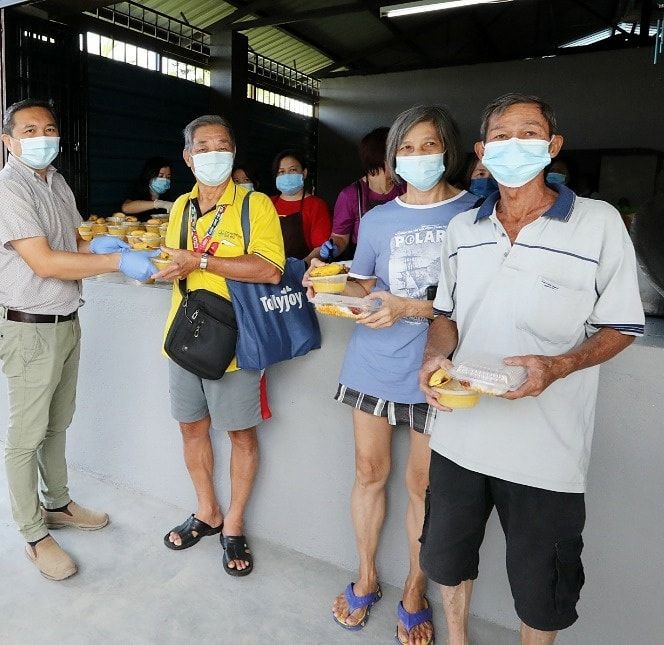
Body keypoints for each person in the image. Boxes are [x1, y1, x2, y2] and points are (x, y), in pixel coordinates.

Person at [418, 94, 644, 645]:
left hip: (547, 451)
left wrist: (559, 365)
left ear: (552, 147)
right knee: (447, 563)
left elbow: (621, 328)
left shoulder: (597, 224)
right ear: (481, 151)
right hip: (459, 436)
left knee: (542, 592)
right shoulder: (462, 229)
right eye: (502, 135)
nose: (514, 145)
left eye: (530, 133)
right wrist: (434, 357)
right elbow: (445, 316)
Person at [306, 106, 477, 645]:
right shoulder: (378, 219)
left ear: (448, 149)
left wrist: (410, 308)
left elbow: (475, 304)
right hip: (373, 363)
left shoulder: (475, 213)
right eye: (407, 148)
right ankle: (367, 574)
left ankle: (413, 590)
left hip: (437, 369)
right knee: (368, 473)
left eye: (429, 146)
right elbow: (363, 285)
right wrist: (329, 288)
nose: (418, 157)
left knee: (424, 488)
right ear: (391, 157)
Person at [0, 98, 156, 582]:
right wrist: (117, 262)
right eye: (30, 129)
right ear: (9, 141)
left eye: (50, 128)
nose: (42, 137)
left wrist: (96, 246)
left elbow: (68, 245)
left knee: (57, 423)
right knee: (25, 436)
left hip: (64, 320)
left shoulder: (54, 181)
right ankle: (34, 534)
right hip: (29, 327)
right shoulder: (7, 190)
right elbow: (44, 262)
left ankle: (57, 504)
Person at [153, 115, 285, 577]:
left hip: (234, 340)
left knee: (239, 433)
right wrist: (161, 267)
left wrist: (201, 259)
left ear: (233, 152)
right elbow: (177, 264)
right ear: (189, 158)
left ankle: (234, 524)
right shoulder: (180, 207)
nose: (213, 153)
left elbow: (269, 269)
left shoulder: (255, 205)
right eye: (203, 147)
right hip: (183, 337)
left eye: (222, 144)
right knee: (191, 427)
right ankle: (207, 511)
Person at [310, 127, 402, 262]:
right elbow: (340, 237)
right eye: (396, 154)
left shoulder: (406, 188)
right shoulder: (350, 196)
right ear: (380, 157)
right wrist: (333, 246)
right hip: (365, 264)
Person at [270, 149, 332, 259]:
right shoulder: (267, 203)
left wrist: (299, 267)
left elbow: (320, 248)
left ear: (304, 173)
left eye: (292, 170)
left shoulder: (316, 205)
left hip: (303, 272)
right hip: (268, 272)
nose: (286, 175)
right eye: (281, 172)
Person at [121, 156, 175, 220]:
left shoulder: (168, 194)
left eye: (168, 177)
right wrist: (159, 204)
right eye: (160, 176)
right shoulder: (139, 190)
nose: (165, 180)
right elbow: (126, 208)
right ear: (150, 175)